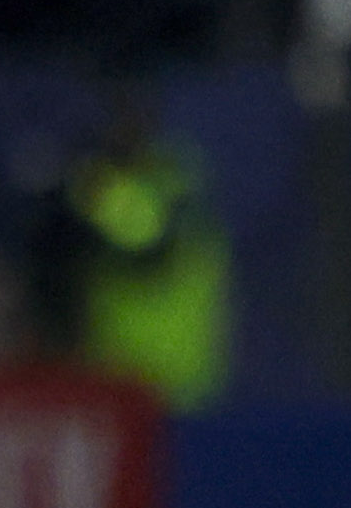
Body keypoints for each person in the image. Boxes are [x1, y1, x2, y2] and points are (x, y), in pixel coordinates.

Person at [32, 92, 228, 410]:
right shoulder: (99, 192)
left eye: (129, 116)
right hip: (114, 394)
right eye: (111, 118)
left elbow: (147, 244)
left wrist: (85, 184)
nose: (119, 129)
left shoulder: (176, 175)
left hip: (179, 397)